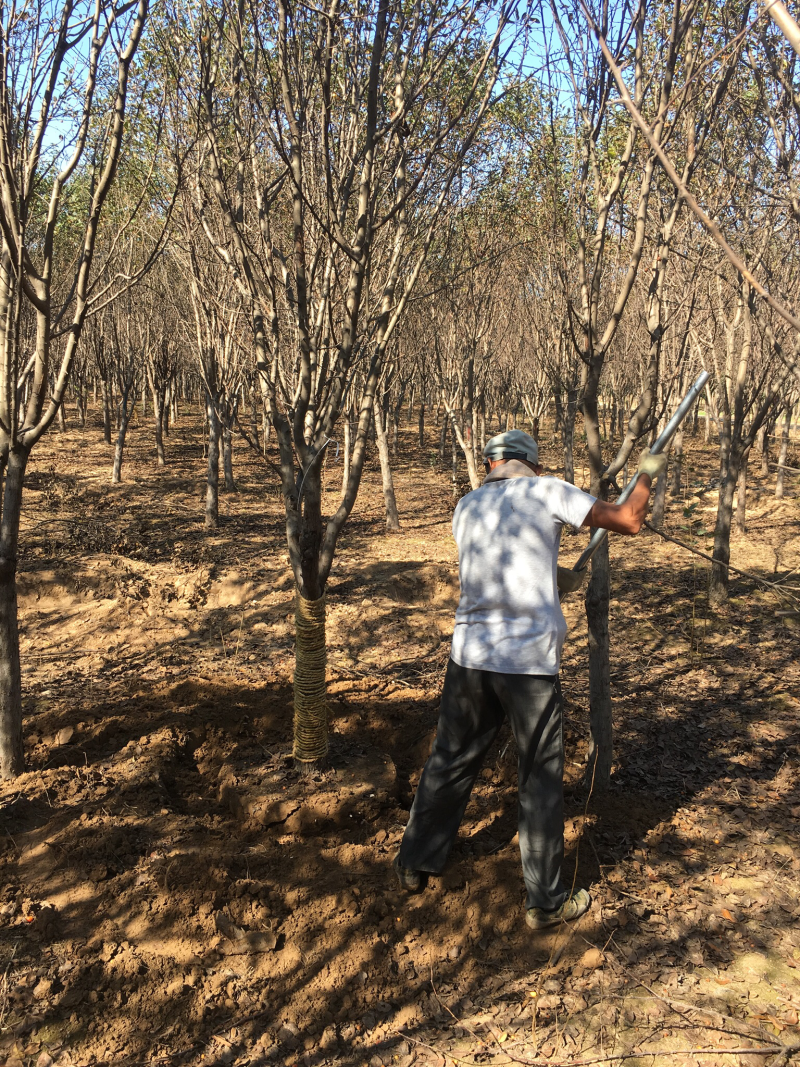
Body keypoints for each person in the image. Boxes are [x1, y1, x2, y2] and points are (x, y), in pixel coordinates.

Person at [393, 429, 666, 929]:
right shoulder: (548, 491)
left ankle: (415, 861)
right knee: (539, 779)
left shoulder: (467, 507)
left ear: (493, 465)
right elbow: (627, 519)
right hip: (529, 666)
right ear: (531, 466)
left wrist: (551, 575)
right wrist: (648, 469)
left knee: (450, 759)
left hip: (470, 656)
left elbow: (499, 562)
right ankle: (544, 901)